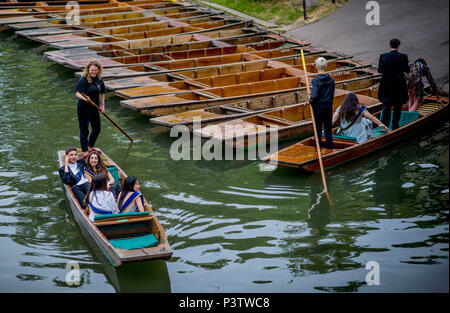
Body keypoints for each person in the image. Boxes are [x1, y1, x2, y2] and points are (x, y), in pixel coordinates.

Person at [75, 60, 106, 159]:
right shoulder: (83, 79)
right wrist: (85, 99)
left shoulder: (99, 79)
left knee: (97, 129)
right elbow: (77, 93)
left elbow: (102, 93)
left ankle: (90, 147)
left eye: (96, 70)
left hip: (94, 107)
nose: (94, 72)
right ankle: (85, 151)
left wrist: (102, 105)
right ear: (88, 69)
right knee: (84, 130)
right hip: (83, 108)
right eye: (92, 70)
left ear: (98, 70)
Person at [377, 38, 410, 130]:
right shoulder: (403, 56)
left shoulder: (383, 56)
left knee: (387, 105)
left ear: (390, 45)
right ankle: (395, 125)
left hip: (386, 84)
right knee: (397, 105)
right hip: (399, 84)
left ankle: (384, 126)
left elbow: (380, 70)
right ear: (398, 46)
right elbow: (407, 69)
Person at [308, 56, 335, 149]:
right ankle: (329, 147)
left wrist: (310, 100)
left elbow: (314, 96)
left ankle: (318, 148)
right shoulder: (331, 80)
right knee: (328, 129)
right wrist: (312, 94)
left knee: (318, 129)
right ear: (326, 66)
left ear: (316, 67)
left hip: (318, 107)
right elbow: (331, 93)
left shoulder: (315, 81)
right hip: (328, 106)